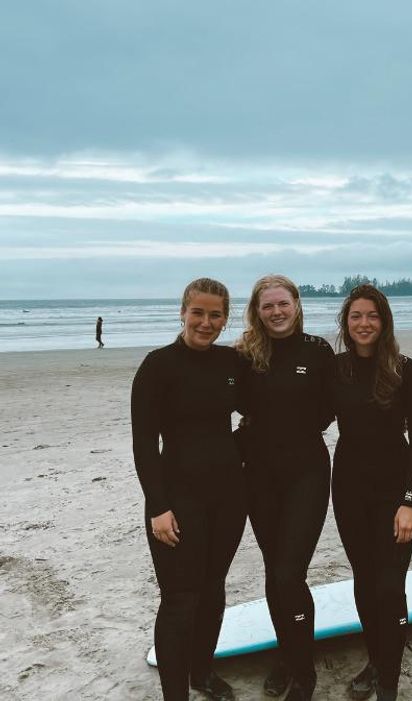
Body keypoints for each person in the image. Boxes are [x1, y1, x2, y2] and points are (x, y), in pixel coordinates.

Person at [131, 278, 245, 701]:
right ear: (183, 312)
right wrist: (158, 506)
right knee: (180, 598)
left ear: (225, 318)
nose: (206, 322)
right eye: (198, 312)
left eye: (215, 315)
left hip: (230, 496)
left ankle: (203, 673)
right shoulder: (158, 366)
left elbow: (267, 407)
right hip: (177, 499)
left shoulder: (233, 362)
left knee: (214, 588)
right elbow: (144, 444)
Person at [235, 275, 334, 701]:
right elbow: (217, 399)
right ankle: (288, 656)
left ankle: (304, 674)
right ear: (257, 311)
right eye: (267, 306)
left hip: (306, 473)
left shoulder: (318, 350)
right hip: (258, 475)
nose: (276, 312)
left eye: (282, 304)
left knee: (289, 573)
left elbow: (333, 406)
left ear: (297, 304)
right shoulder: (244, 354)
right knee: (275, 575)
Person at [331, 284, 412, 701]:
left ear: (384, 321)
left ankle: (388, 684)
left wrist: (410, 502)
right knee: (365, 581)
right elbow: (299, 411)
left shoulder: (407, 370)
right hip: (349, 488)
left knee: (390, 586)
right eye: (356, 316)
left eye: (372, 316)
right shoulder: (335, 370)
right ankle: (376, 660)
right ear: (346, 323)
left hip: (394, 493)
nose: (364, 323)